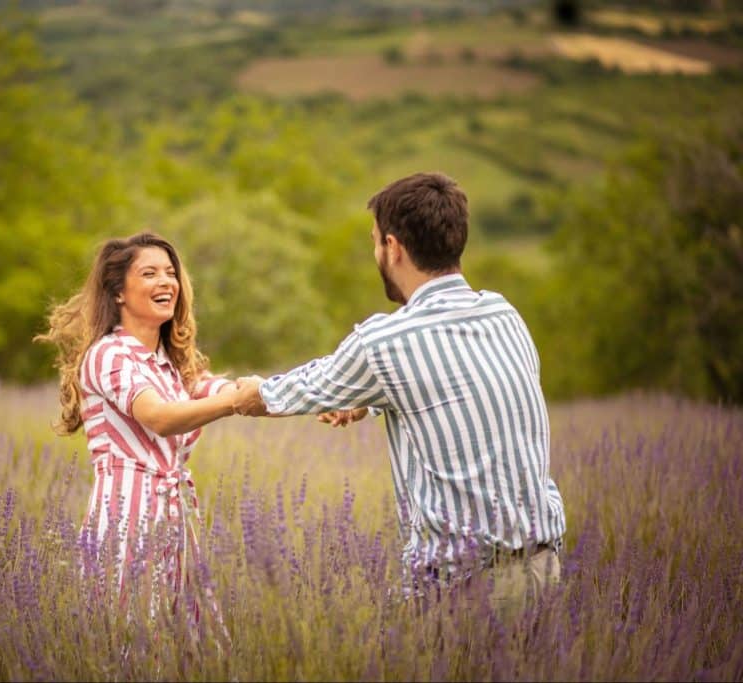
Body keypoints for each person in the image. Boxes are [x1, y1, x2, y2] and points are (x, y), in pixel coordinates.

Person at [232, 172, 566, 615]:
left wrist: (246, 392)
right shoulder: (503, 313)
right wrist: (368, 400)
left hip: (466, 590)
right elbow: (452, 381)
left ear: (394, 248)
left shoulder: (386, 341)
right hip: (544, 570)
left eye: (375, 242)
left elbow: (285, 395)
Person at [35, 231, 240, 609]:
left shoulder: (169, 365)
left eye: (170, 272)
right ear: (118, 293)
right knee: (131, 645)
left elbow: (224, 388)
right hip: (124, 523)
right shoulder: (108, 355)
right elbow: (159, 417)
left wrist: (295, 395)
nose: (166, 282)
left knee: (185, 651)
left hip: (175, 521)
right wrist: (237, 402)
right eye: (149, 274)